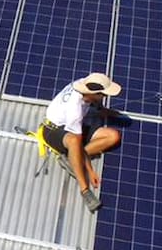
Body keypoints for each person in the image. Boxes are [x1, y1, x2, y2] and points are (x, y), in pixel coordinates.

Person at [42, 72, 123, 213]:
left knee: (113, 136)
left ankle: (72, 157)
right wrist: (90, 171)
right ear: (94, 94)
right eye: (103, 95)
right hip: (52, 131)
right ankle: (84, 190)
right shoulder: (75, 110)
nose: (105, 97)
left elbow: (94, 99)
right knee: (74, 142)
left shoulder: (84, 83)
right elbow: (77, 141)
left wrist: (102, 110)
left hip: (73, 127)